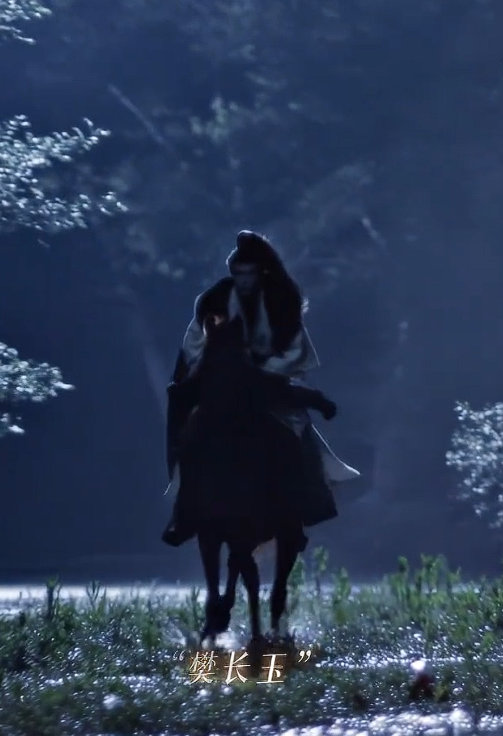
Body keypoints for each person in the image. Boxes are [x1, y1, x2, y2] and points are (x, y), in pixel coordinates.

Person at [164, 230, 360, 541]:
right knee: (183, 417)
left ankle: (311, 498)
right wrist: (198, 371)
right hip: (220, 376)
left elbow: (295, 350)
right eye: (238, 274)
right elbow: (193, 342)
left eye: (249, 274)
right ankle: (183, 507)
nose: (243, 280)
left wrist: (262, 368)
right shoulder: (213, 299)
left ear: (261, 272)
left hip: (267, 378)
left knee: (296, 425)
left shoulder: (282, 301)